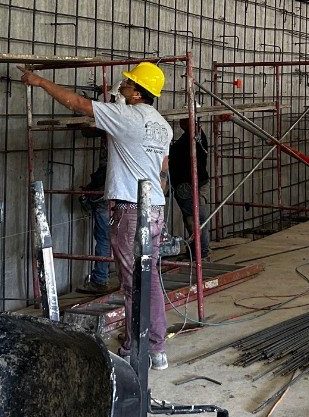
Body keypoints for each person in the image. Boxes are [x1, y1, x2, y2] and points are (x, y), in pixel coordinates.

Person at [18, 61, 172, 370]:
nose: (122, 87)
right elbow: (163, 170)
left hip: (130, 211)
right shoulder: (162, 125)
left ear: (139, 94)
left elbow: (77, 104)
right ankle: (156, 349)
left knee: (131, 285)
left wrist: (40, 82)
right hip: (155, 208)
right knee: (150, 279)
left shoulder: (127, 117)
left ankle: (134, 348)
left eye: (127, 85)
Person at [76, 135, 115, 295]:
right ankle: (130, 279)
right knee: (126, 239)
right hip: (127, 194)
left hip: (107, 192)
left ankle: (100, 280)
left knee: (104, 238)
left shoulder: (112, 126)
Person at [169, 117, 210, 260]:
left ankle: (199, 253)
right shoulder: (198, 136)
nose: (180, 122)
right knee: (199, 218)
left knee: (194, 219)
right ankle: (200, 251)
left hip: (187, 185)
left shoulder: (189, 140)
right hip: (200, 182)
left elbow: (173, 156)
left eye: (183, 120)